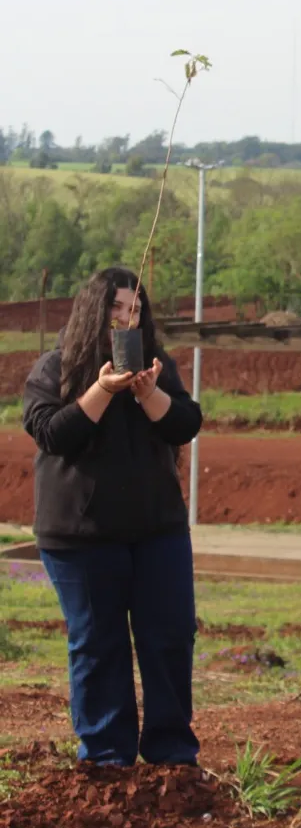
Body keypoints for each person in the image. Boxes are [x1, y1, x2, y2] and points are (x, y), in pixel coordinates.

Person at [21, 267, 204, 768]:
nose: (127, 319)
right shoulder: (56, 368)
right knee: (99, 645)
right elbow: (52, 433)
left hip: (157, 531)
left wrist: (148, 393)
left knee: (168, 637)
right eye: (118, 310)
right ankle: (106, 758)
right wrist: (102, 390)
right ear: (94, 313)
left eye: (136, 311)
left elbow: (185, 424)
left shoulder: (157, 366)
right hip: (80, 538)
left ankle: (171, 756)